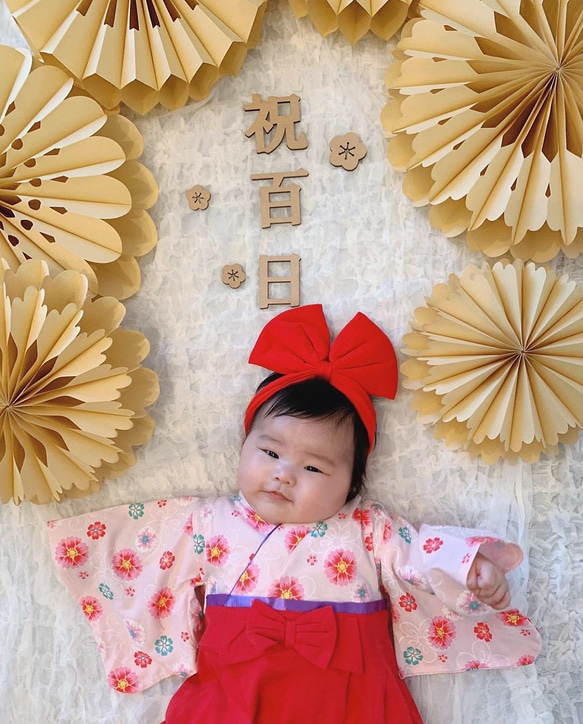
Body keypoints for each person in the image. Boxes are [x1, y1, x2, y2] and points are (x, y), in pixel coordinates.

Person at [48, 305, 541, 724]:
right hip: (232, 694)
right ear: (243, 446)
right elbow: (137, 553)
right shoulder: (206, 522)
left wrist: (468, 569)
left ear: (352, 484)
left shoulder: (367, 529)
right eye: (269, 452)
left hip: (354, 693)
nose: (284, 474)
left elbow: (419, 554)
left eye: (312, 466)